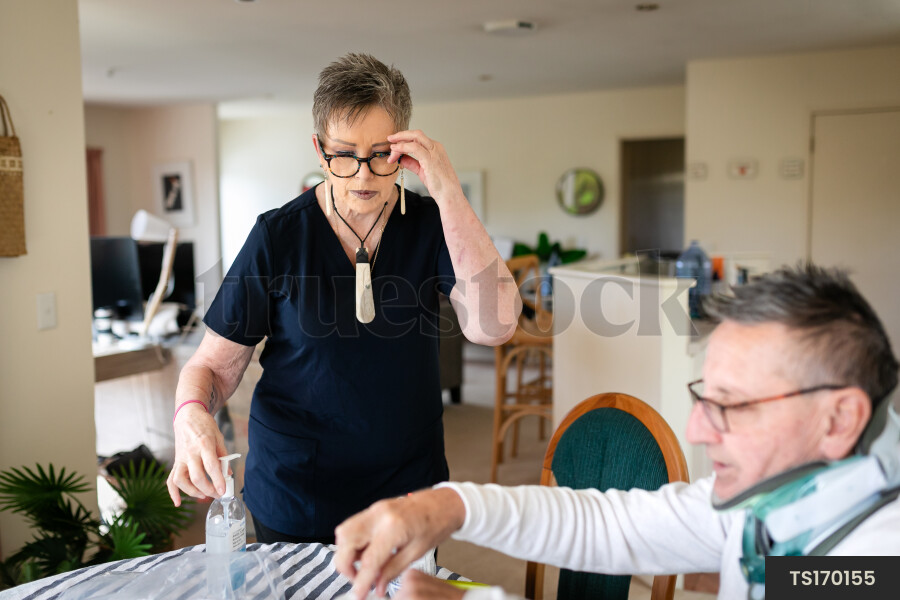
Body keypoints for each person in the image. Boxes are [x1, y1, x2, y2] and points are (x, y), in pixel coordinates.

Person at [334, 264, 900, 599]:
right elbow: (611, 523)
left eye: (731, 405)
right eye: (705, 397)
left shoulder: (875, 565)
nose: (697, 429)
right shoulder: (783, 493)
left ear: (840, 419)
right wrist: (449, 508)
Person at [166, 53, 520, 544]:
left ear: (406, 148)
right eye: (344, 154)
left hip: (409, 492)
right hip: (298, 492)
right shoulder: (277, 236)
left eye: (381, 154)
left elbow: (495, 326)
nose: (362, 175)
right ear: (318, 149)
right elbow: (212, 368)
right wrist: (192, 416)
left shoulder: (432, 224)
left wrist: (447, 189)